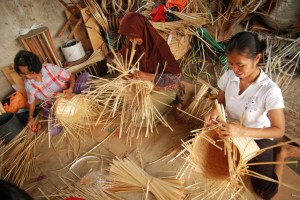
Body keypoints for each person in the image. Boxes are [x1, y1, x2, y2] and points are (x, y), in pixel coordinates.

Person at [204, 32, 300, 199]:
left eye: (240, 65)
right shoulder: (229, 75)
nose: (234, 69)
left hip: (257, 136)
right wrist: (213, 113)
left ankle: (282, 152)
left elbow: (278, 130)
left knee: (266, 192)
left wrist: (242, 131)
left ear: (256, 58)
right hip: (231, 129)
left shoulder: (269, 90)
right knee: (206, 155)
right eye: (230, 64)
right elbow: (220, 101)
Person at [117, 12, 182, 113]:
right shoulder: (135, 43)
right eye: (129, 37)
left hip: (165, 89)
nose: (131, 40)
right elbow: (122, 55)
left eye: (133, 36)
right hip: (146, 87)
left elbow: (176, 78)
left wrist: (148, 76)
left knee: (142, 117)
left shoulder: (160, 47)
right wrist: (121, 66)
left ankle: (169, 107)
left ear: (141, 30)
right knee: (128, 106)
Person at [14, 50, 89, 134]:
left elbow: (71, 76)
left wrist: (70, 89)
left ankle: (82, 102)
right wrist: (30, 118)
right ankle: (67, 116)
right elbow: (31, 101)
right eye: (23, 74)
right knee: (53, 130)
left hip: (68, 94)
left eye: (30, 72)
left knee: (86, 77)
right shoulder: (28, 83)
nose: (27, 76)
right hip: (53, 105)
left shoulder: (50, 68)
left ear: (36, 67)